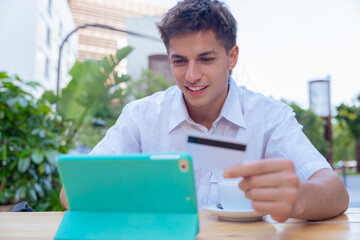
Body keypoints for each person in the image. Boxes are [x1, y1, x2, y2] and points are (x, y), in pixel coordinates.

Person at [60, 0, 349, 222]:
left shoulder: (269, 117)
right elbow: (71, 192)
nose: (191, 75)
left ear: (232, 57)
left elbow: (336, 193)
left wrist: (298, 198)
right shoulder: (141, 117)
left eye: (206, 59)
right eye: (179, 61)